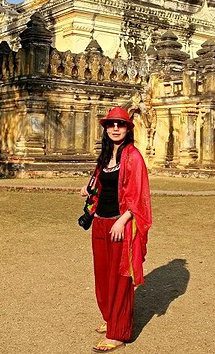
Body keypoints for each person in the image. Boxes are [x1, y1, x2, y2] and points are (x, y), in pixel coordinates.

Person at [80, 106, 152, 352]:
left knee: (120, 277)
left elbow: (139, 194)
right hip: (99, 220)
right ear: (105, 128)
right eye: (111, 125)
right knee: (102, 274)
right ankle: (110, 316)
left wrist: (123, 219)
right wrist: (88, 188)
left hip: (120, 224)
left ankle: (118, 332)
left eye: (120, 125)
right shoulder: (105, 156)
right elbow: (100, 182)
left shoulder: (133, 157)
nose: (115, 129)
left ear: (128, 129)